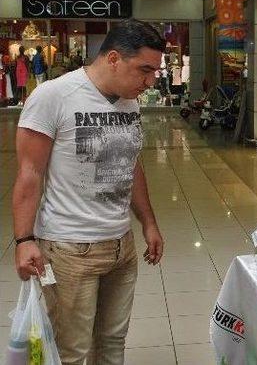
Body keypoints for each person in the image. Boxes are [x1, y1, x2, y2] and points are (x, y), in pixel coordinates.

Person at [13, 19, 166, 365]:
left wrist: (148, 222)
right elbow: (29, 174)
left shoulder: (130, 102)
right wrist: (24, 240)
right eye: (144, 70)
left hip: (121, 247)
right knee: (73, 352)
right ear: (113, 58)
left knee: (112, 343)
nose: (150, 81)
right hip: (69, 250)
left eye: (155, 72)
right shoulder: (53, 96)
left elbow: (131, 164)